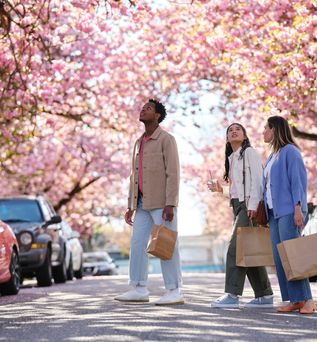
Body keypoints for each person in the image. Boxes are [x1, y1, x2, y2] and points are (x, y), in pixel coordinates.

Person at [114, 99, 183, 305]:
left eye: (149, 108)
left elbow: (173, 172)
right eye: (143, 108)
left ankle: (174, 289)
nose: (143, 110)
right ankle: (138, 288)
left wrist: (171, 203)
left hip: (162, 202)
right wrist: (130, 205)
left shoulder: (166, 139)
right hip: (142, 203)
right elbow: (133, 176)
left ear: (158, 116)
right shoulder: (139, 142)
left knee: (166, 244)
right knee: (136, 244)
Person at [208, 123, 273, 308]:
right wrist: (221, 190)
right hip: (238, 206)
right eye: (230, 130)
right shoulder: (232, 158)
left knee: (235, 249)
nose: (233, 131)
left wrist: (252, 205)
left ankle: (232, 294)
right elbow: (238, 191)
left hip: (248, 207)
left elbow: (258, 181)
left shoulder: (250, 153)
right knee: (249, 250)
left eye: (238, 129)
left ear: (244, 136)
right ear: (227, 138)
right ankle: (265, 295)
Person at [263, 116, 315, 314]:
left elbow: (298, 181)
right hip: (273, 214)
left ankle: (308, 299)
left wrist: (298, 207)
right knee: (281, 258)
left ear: (275, 129)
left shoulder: (290, 152)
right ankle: (295, 299)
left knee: (294, 256)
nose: (263, 133)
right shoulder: (272, 156)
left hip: (288, 211)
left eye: (266, 129)